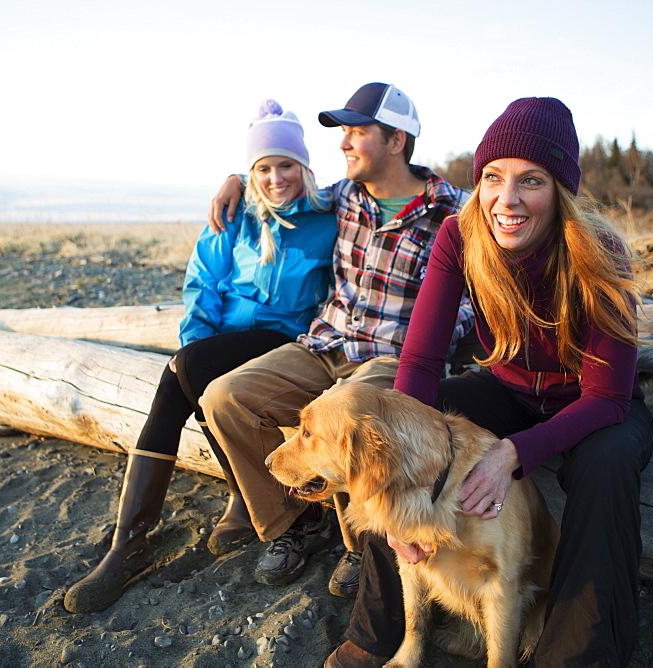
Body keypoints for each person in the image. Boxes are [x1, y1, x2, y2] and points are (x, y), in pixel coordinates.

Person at [328, 97, 653, 667]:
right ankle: (381, 630)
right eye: (493, 178)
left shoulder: (599, 253)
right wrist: (402, 479)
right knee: (388, 425)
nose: (507, 199)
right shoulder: (461, 236)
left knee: (605, 467)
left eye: (531, 180)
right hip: (506, 391)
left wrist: (512, 455)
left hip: (593, 406)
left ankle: (578, 655)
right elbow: (422, 365)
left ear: (561, 191)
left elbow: (608, 397)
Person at [63, 99, 338, 614]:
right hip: (223, 341)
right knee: (187, 371)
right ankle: (140, 538)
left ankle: (140, 542)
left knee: (187, 372)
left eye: (286, 165)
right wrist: (194, 344)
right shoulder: (234, 214)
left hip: (284, 344)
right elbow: (203, 285)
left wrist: (192, 361)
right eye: (262, 168)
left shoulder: (328, 217)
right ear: (250, 173)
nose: (276, 178)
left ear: (304, 167)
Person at [201, 82, 472, 596]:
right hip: (324, 346)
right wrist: (236, 178)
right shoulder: (343, 195)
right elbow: (284, 181)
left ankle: (358, 546)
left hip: (391, 360)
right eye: (342, 132)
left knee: (347, 415)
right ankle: (292, 525)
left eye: (356, 132)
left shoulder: (454, 211)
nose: (343, 144)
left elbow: (477, 297)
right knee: (226, 397)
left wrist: (433, 335)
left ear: (396, 140)